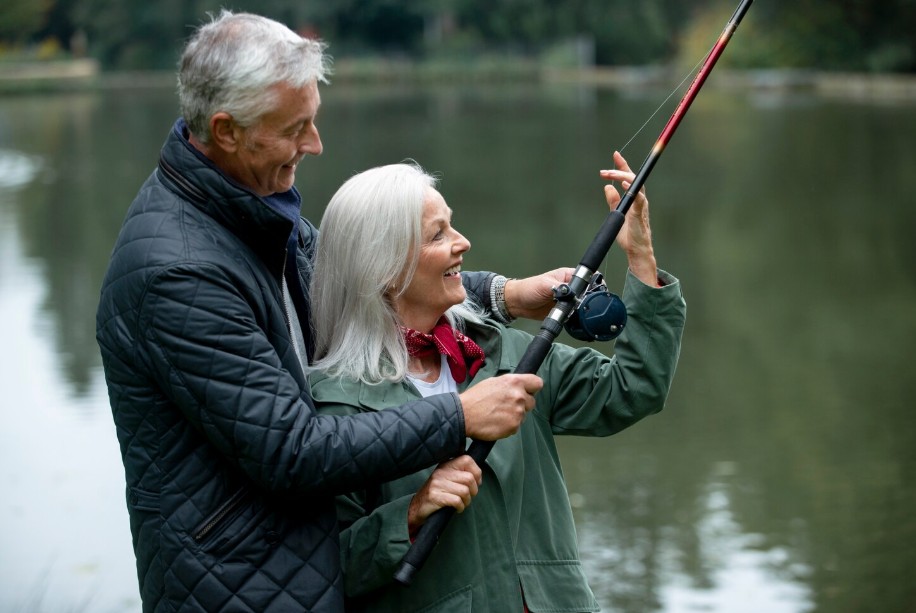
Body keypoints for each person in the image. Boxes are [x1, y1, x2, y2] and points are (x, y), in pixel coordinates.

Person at [95, 11, 568, 613]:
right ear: (227, 129)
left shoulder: (259, 210)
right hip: (238, 586)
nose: (315, 145)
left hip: (300, 565)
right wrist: (457, 415)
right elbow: (291, 449)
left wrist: (503, 296)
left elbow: (371, 288)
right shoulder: (178, 273)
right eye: (296, 128)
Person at [308, 155, 686, 612]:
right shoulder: (337, 405)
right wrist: (409, 515)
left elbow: (634, 388)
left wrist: (640, 255)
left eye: (453, 226)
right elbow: (325, 571)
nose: (462, 243)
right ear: (384, 269)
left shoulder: (504, 352)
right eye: (438, 235)